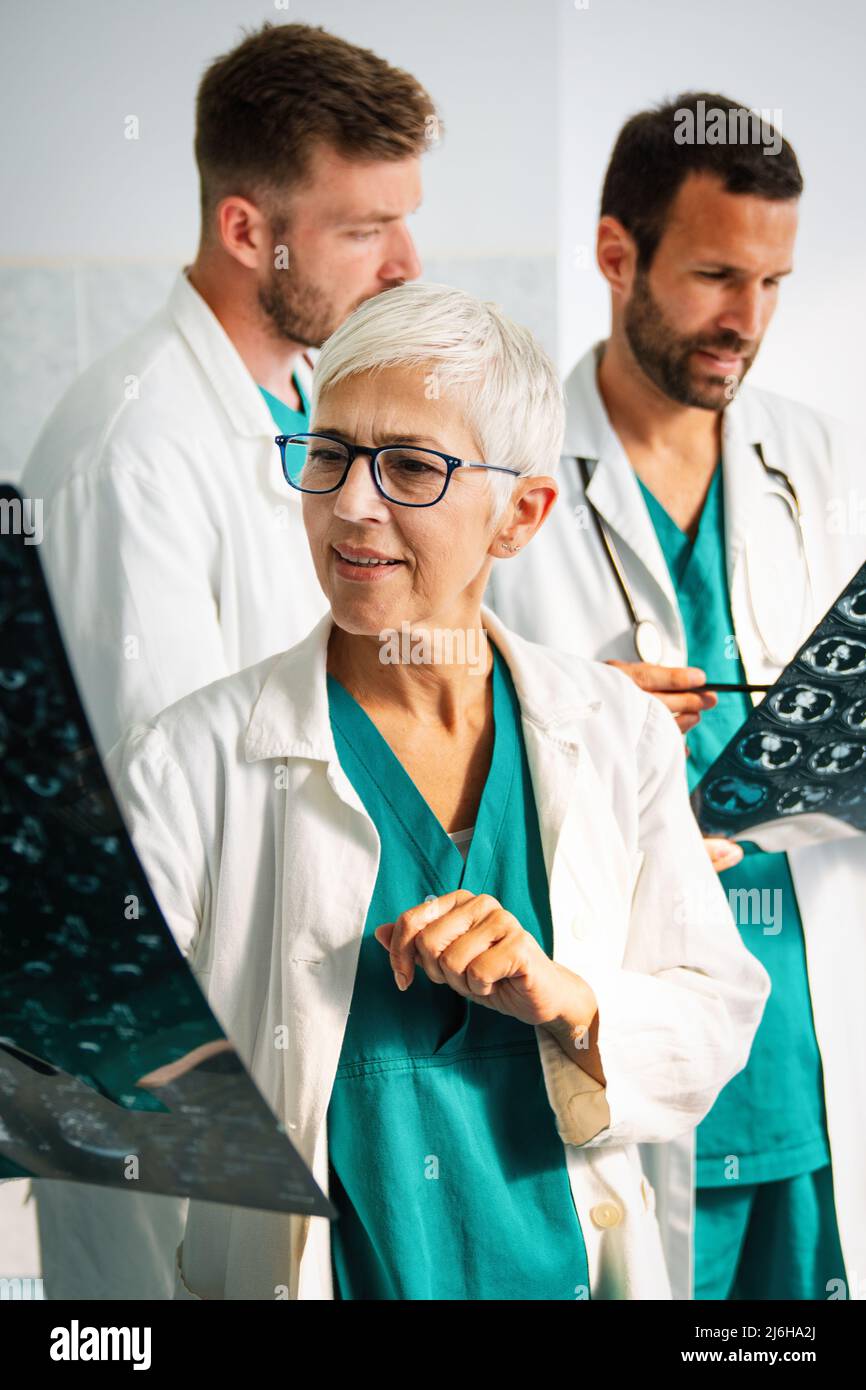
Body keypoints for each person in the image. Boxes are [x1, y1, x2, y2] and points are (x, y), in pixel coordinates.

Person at [104, 281, 769, 1299]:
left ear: (521, 513)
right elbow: (80, 1057)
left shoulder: (612, 731)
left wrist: (567, 1002)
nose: (350, 503)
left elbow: (714, 1013)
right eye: (327, 454)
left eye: (410, 466)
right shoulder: (194, 759)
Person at [22, 21, 437, 1300]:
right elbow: (165, 819)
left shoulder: (307, 408)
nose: (406, 262)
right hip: (180, 1066)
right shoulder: (132, 452)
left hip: (301, 1022)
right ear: (251, 230)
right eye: (365, 228)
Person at [486, 92, 865, 1301]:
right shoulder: (503, 472)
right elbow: (427, 737)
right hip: (624, 1047)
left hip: (804, 1050)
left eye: (769, 282)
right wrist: (567, 713)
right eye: (711, 276)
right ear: (615, 255)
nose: (743, 322)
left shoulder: (813, 455)